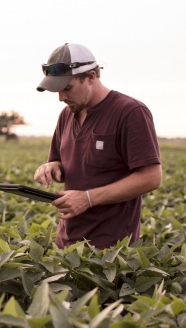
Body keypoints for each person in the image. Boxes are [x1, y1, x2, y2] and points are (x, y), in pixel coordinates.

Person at [33, 43, 162, 249]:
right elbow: (59, 161)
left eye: (67, 88)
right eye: (56, 91)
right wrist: (51, 167)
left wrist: (88, 199)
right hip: (67, 244)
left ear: (91, 77)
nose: (61, 98)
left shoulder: (130, 112)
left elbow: (151, 177)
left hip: (112, 249)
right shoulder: (67, 115)